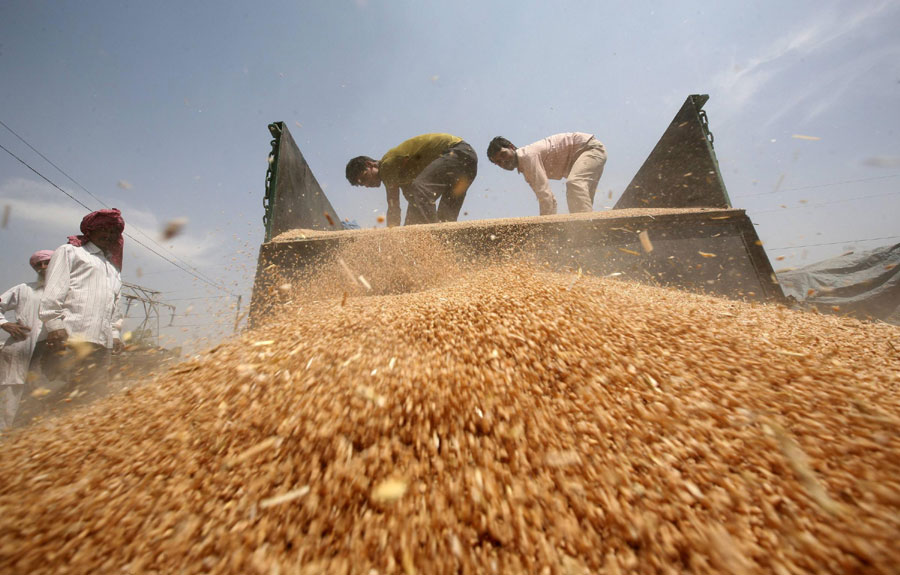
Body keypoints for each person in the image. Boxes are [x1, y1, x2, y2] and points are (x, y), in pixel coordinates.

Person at [40, 208, 125, 394]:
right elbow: (54, 289)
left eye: (112, 232)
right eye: (103, 229)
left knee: (92, 398)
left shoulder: (112, 267)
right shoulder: (71, 252)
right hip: (70, 337)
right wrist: (54, 325)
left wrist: (115, 334)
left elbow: (114, 305)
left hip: (102, 343)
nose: (108, 234)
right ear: (90, 230)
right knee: (60, 394)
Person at [346, 133, 477, 227]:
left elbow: (394, 208)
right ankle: (450, 250)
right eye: (362, 184)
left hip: (458, 152)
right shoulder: (402, 178)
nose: (367, 185)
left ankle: (437, 240)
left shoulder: (387, 166)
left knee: (419, 191)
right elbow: (415, 207)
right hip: (466, 164)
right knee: (442, 220)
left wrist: (390, 237)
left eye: (364, 178)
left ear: (370, 165)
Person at [487, 133, 607, 215]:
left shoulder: (527, 157)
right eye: (498, 162)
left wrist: (545, 230)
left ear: (512, 147)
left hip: (589, 148)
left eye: (503, 155)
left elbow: (546, 198)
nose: (503, 161)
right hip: (585, 154)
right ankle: (590, 235)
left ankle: (586, 232)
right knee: (580, 204)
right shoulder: (525, 165)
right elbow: (548, 200)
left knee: (574, 184)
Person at [0, 250, 53, 430]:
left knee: (45, 394)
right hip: (21, 348)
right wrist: (5, 324)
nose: (43, 267)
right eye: (39, 264)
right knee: (10, 395)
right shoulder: (24, 289)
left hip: (47, 352)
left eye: (47, 262)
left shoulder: (70, 293)